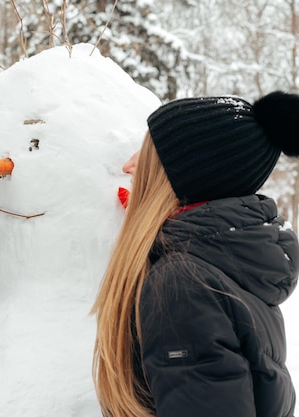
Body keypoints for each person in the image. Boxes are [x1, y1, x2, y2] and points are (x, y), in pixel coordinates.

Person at [93, 92, 299, 417]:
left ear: (188, 178)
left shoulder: (184, 285)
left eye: (148, 154)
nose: (129, 165)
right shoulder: (225, 263)